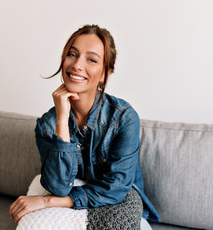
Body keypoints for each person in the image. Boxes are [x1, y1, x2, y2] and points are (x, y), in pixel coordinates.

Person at [9, 24, 160, 227]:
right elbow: (59, 186)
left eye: (91, 59)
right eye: (72, 54)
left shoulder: (124, 118)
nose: (77, 65)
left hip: (119, 201)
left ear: (105, 73)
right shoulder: (47, 124)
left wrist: (48, 202)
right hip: (74, 198)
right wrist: (62, 119)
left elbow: (116, 187)